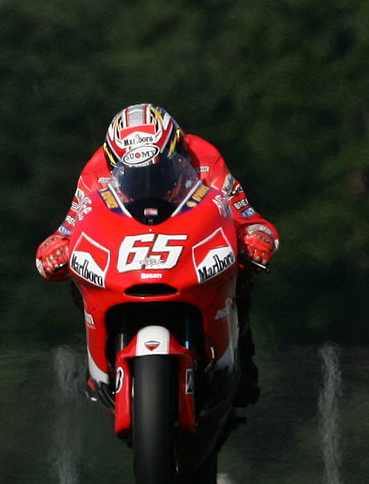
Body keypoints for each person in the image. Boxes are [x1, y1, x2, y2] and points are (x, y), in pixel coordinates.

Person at [34, 103, 279, 406]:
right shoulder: (95, 168)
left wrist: (255, 236)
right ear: (113, 162)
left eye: (158, 170)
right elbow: (71, 225)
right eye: (133, 175)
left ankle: (241, 363)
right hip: (127, 249)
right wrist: (56, 248)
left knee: (241, 270)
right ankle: (98, 363)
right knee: (78, 273)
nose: (148, 182)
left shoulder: (204, 157)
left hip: (186, 241)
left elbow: (242, 213)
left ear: (177, 151)